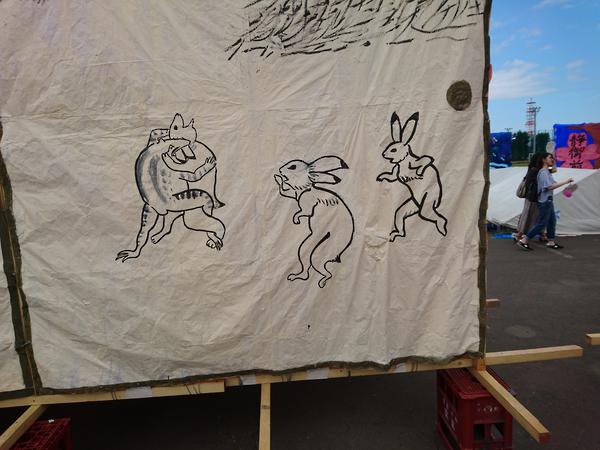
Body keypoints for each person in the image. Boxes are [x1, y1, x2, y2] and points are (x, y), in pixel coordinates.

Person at [517, 153, 574, 250]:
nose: (552, 159)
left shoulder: (546, 172)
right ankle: (524, 240)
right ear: (543, 160)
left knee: (552, 221)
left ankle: (551, 241)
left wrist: (565, 185)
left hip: (547, 200)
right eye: (550, 158)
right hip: (544, 201)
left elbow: (553, 177)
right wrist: (565, 182)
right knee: (542, 223)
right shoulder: (543, 172)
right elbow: (549, 186)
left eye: (553, 158)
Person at [513, 153, 547, 242]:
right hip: (534, 197)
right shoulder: (536, 170)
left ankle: (541, 234)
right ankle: (520, 234)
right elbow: (532, 184)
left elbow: (553, 170)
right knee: (531, 216)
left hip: (533, 197)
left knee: (535, 216)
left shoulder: (534, 169)